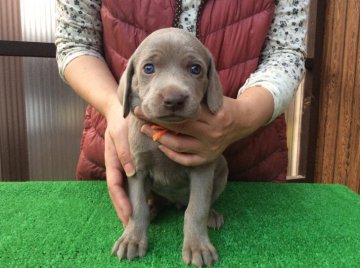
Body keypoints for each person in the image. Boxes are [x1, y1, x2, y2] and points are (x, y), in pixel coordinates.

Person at [55, 0, 309, 226]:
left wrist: (244, 114)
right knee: (137, 173)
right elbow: (74, 41)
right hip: (121, 135)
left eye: (195, 70)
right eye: (150, 67)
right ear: (131, 75)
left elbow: (286, 52)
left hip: (248, 163)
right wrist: (114, 107)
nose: (173, 92)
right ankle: (155, 205)